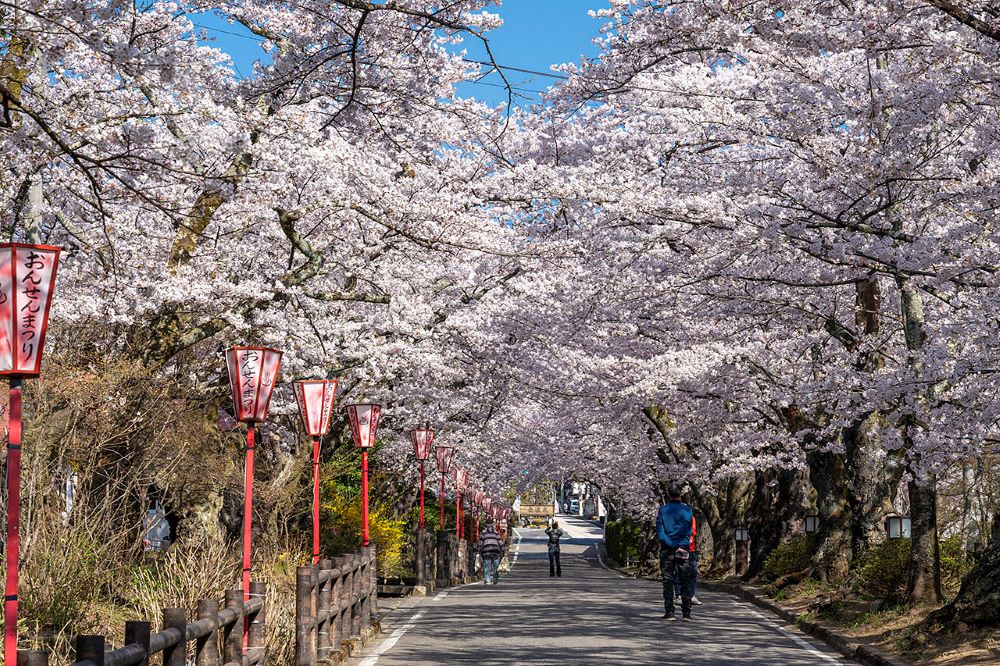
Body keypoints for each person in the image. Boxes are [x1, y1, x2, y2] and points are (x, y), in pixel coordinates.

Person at [656, 484, 694, 621]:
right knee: (685, 580)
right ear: (680, 494)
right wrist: (680, 545)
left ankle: (670, 612)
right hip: (684, 547)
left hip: (667, 549)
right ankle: (686, 613)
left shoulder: (663, 510)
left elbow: (660, 532)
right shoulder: (688, 510)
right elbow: (689, 530)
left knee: (668, 580)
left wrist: (672, 545)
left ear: (668, 494)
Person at [674, 512, 702, 605]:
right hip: (680, 548)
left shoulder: (691, 518)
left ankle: (691, 595)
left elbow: (693, 531)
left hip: (691, 549)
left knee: (693, 572)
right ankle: (679, 595)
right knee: (679, 572)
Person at [478, 520, 504, 585]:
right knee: (496, 566)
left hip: (486, 551)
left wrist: (477, 550)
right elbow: (500, 542)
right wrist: (503, 549)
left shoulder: (483, 533)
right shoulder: (496, 533)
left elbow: (480, 543)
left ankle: (488, 580)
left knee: (487, 565)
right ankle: (495, 579)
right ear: (492, 525)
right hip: (496, 551)